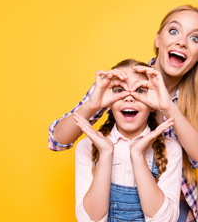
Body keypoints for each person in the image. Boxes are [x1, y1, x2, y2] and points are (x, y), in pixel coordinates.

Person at [48, 5, 198, 222]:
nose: (181, 42)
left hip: (169, 212)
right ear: (158, 39)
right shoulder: (124, 81)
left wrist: (169, 108)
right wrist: (92, 105)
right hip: (114, 206)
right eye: (174, 31)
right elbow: (56, 141)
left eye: (195, 38)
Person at [74, 59, 182, 221]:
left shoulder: (170, 149)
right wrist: (105, 154)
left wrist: (137, 155)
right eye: (119, 90)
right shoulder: (87, 147)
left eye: (140, 90)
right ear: (108, 102)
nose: (129, 98)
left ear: (153, 104)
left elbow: (165, 220)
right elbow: (88, 220)